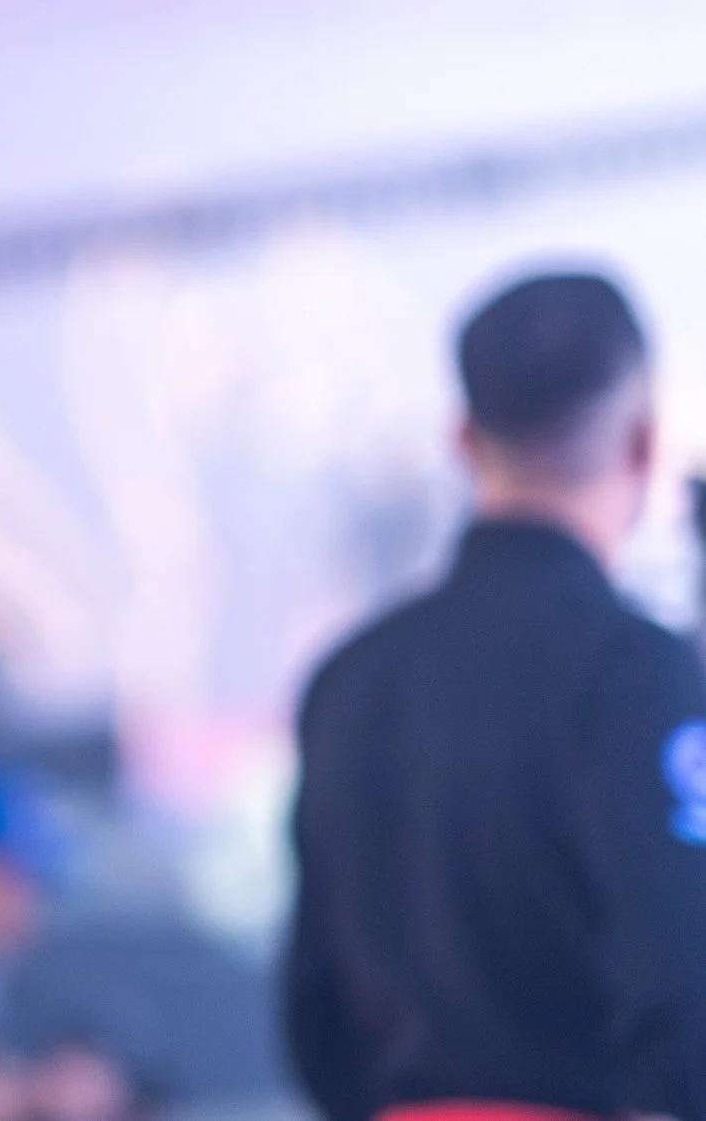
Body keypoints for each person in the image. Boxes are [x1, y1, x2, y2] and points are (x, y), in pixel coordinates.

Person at [285, 270, 706, 1121]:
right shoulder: (637, 672)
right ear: (642, 442)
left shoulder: (350, 680)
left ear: (464, 439)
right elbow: (683, 971)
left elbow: (313, 1006)